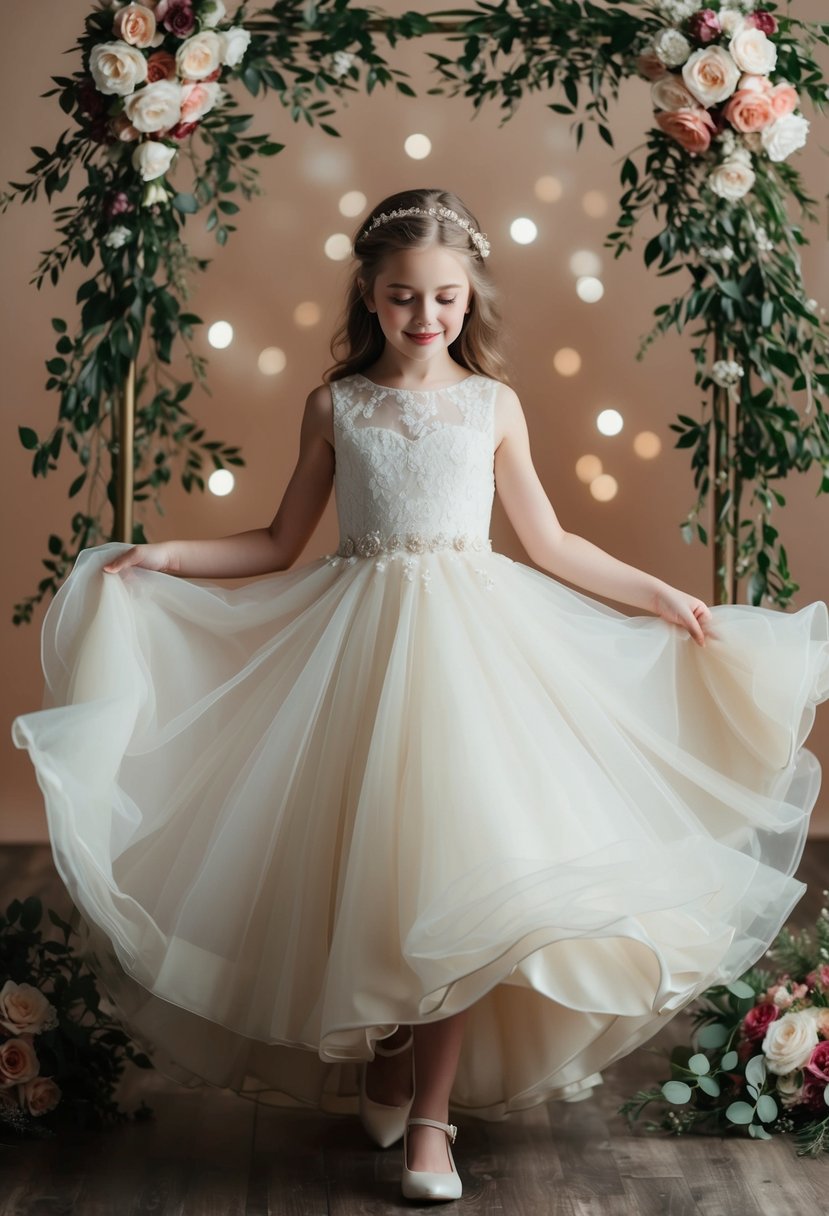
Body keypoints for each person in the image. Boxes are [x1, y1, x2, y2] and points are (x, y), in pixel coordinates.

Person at [13, 186, 829, 1203]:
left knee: (464, 874)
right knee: (375, 868)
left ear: (469, 295)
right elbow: (277, 542)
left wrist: (657, 592)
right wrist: (165, 555)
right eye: (403, 297)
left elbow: (550, 540)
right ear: (367, 293)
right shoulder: (336, 405)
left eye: (444, 297)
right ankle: (389, 1053)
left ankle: (431, 1122)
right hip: (354, 651)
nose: (425, 317)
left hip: (476, 654)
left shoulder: (493, 406)